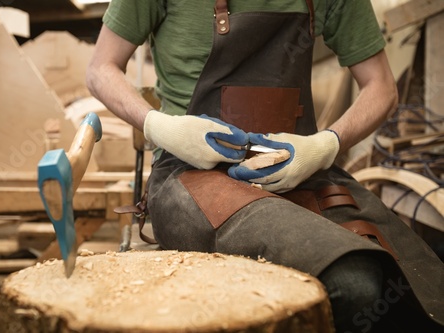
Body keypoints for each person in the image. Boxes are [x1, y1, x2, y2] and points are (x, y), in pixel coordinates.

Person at [87, 1, 444, 332]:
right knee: (352, 281)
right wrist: (161, 126)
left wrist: (325, 145)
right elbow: (101, 68)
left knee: (422, 284)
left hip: (298, 167)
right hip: (190, 175)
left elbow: (381, 85)